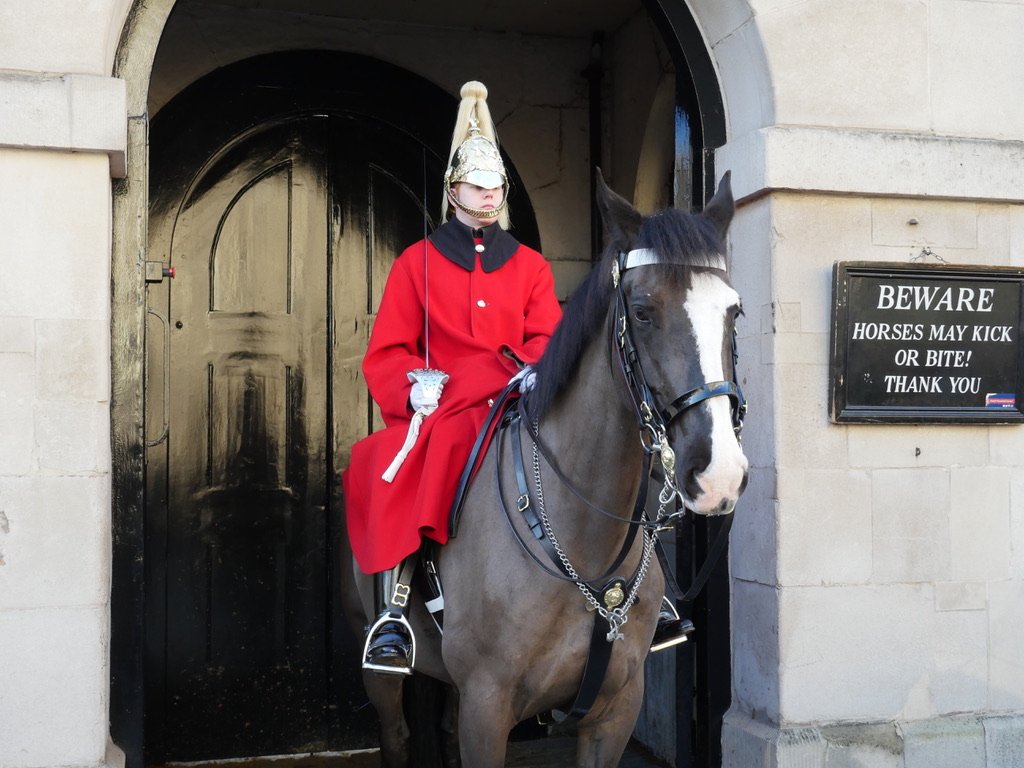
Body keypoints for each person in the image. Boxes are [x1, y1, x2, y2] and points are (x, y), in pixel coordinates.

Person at [341, 81, 563, 674]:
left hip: (515, 397)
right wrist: (414, 385)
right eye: (476, 183)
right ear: (453, 190)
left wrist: (523, 372)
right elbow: (387, 351)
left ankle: (637, 595)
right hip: (443, 403)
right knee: (385, 464)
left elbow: (548, 338)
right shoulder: (415, 263)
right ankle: (394, 611)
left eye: (495, 186)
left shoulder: (531, 266)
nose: (488, 194)